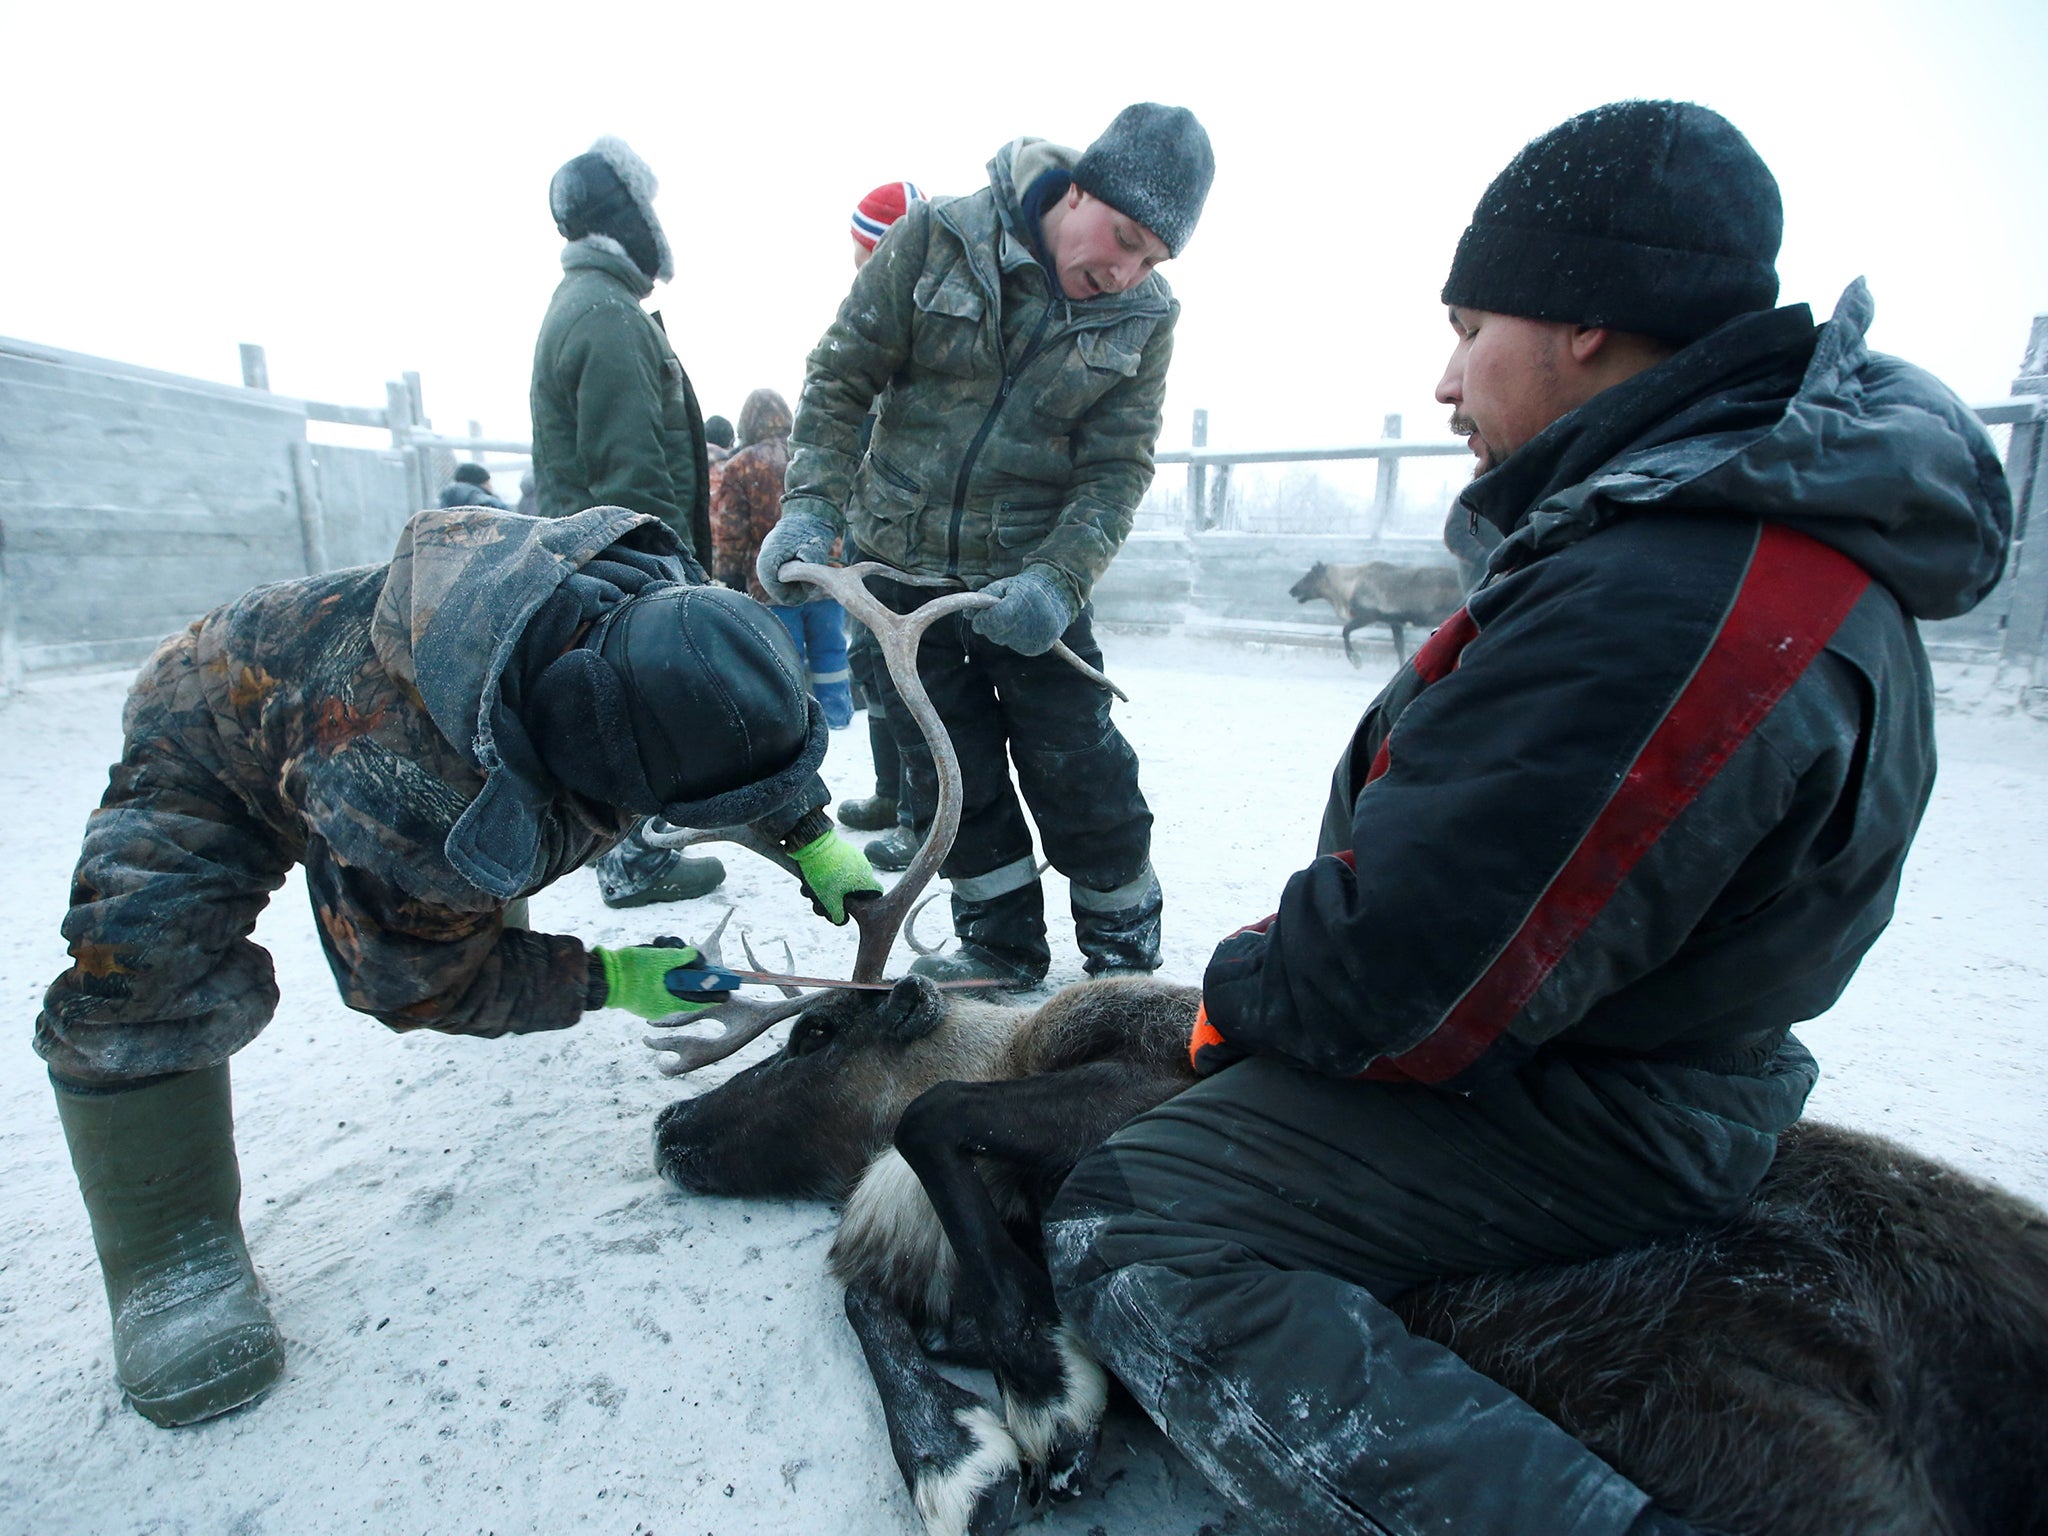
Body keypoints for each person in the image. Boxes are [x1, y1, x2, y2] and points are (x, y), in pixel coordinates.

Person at [1044, 100, 2012, 1535]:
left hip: (1606, 1099)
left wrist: (1234, 997)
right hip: (1649, 1046)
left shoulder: (1674, 595)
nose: (1445, 382)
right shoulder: (1719, 540)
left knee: (1136, 1212)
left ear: (1584, 325)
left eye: (1470, 324)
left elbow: (1411, 979)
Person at [37, 504, 880, 1429]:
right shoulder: (400, 791)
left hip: (438, 716)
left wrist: (808, 836)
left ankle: (478, 885)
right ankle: (173, 1254)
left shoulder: (643, 593)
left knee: (468, 858)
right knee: (140, 959)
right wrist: (610, 980)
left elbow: (711, 708)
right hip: (209, 723)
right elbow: (411, 984)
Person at [758, 105, 1214, 987]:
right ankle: (1000, 949)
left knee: (1081, 766)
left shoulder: (1145, 317)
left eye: (1151, 258)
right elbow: (841, 376)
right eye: (1122, 238)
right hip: (900, 582)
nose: (1126, 271)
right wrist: (811, 507)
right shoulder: (935, 240)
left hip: (1029, 591)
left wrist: (1058, 579)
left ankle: (1123, 950)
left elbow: (1116, 469)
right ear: (1077, 190)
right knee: (948, 775)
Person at [527, 135, 724, 906]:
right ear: (627, 217)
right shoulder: (607, 316)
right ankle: (633, 862)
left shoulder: (589, 305)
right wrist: (666, 582)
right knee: (639, 706)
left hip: (596, 559)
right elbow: (631, 471)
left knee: (619, 707)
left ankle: (628, 852)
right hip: (622, 563)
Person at [834, 180, 932, 871]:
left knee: (911, 679)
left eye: (864, 253)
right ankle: (890, 789)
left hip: (912, 548)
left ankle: (923, 815)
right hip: (868, 536)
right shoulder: (875, 322)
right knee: (874, 670)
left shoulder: (926, 326)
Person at [713, 388, 853, 727]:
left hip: (770, 584)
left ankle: (795, 722)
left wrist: (729, 572)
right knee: (832, 652)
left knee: (784, 656)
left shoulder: (740, 466)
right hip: (825, 576)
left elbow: (731, 529)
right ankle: (838, 713)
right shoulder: (807, 457)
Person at [437, 460, 511, 510]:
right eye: (488, 482)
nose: (491, 487)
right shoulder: (487, 502)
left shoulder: (446, 500)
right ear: (482, 483)